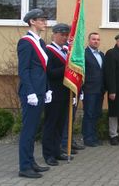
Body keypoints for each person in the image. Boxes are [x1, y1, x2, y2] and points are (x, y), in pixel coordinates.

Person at [17, 9, 50, 178]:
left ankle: (31, 162)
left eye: (45, 20)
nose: (45, 22)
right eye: (42, 20)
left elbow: (44, 69)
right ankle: (24, 167)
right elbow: (24, 70)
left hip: (40, 91)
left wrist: (48, 88)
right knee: (28, 131)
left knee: (33, 129)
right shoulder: (26, 42)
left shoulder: (40, 43)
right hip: (30, 93)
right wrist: (30, 92)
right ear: (32, 22)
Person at [43, 23, 71, 167]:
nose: (64, 38)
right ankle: (48, 154)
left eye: (66, 35)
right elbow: (50, 73)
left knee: (61, 124)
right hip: (53, 93)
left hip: (65, 93)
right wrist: (66, 67)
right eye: (62, 35)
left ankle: (57, 150)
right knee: (51, 124)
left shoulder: (66, 51)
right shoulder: (48, 51)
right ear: (54, 34)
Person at [82, 32, 105, 147]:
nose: (96, 41)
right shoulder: (84, 54)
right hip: (89, 89)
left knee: (96, 114)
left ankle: (94, 136)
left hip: (100, 90)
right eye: (94, 39)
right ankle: (87, 138)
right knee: (89, 114)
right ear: (89, 40)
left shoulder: (101, 55)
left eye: (98, 39)